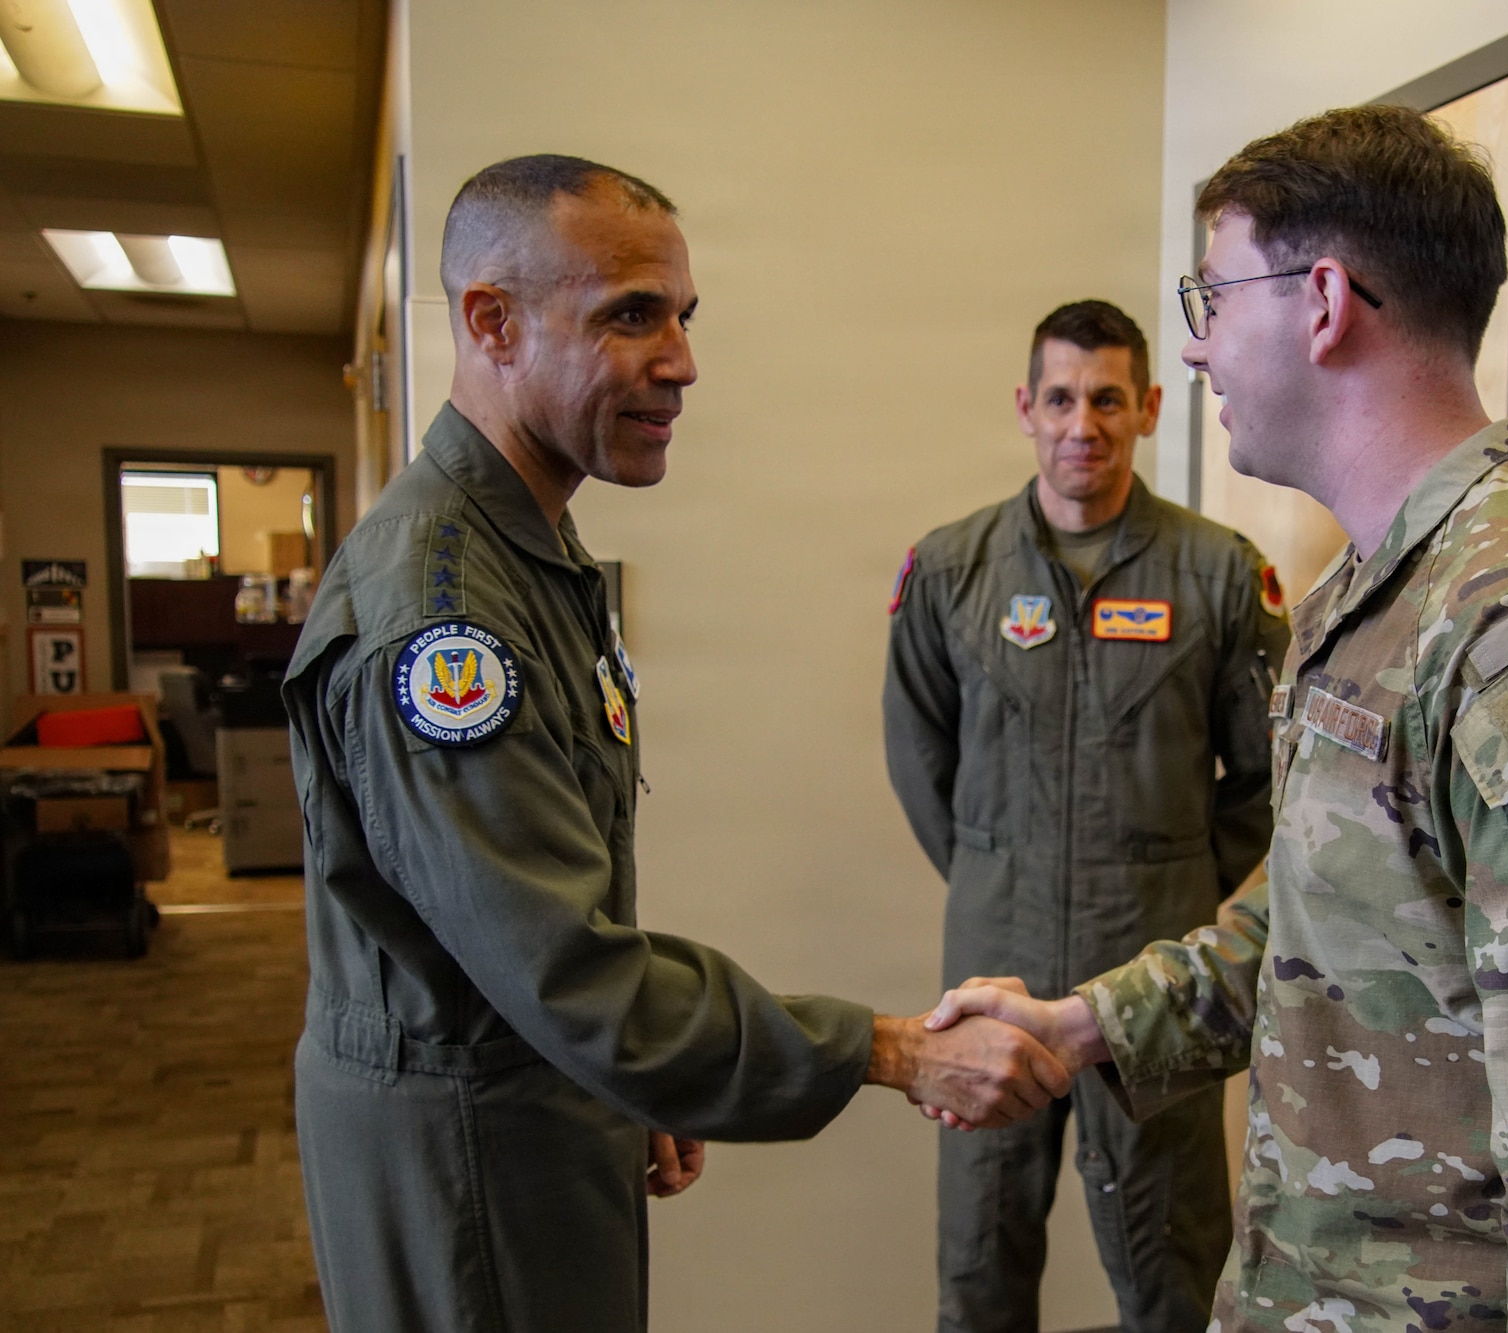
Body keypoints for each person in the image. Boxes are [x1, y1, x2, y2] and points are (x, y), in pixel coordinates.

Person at [928, 107, 1508, 1332]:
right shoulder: (1378, 592)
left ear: (1320, 301)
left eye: (1210, 296)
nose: (1201, 349)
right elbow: (1323, 916)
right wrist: (1083, 1022)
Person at [281, 154, 1071, 1333]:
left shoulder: (524, 555)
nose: (683, 362)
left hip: (531, 1094)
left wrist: (618, 1067)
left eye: (683, 317)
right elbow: (566, 973)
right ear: (491, 323)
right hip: (467, 1150)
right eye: (630, 316)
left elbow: (548, 936)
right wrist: (889, 1049)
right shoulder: (442, 617)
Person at [884, 299, 1291, 1333]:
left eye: (1107, 399)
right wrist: (999, 871)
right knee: (979, 1267)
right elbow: (921, 760)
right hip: (991, 973)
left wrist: (1180, 892)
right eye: (1059, 398)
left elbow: (1263, 782)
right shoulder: (949, 571)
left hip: (1152, 981)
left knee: (1173, 1268)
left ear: (1149, 407)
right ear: (1025, 407)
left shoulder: (1219, 574)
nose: (1083, 425)